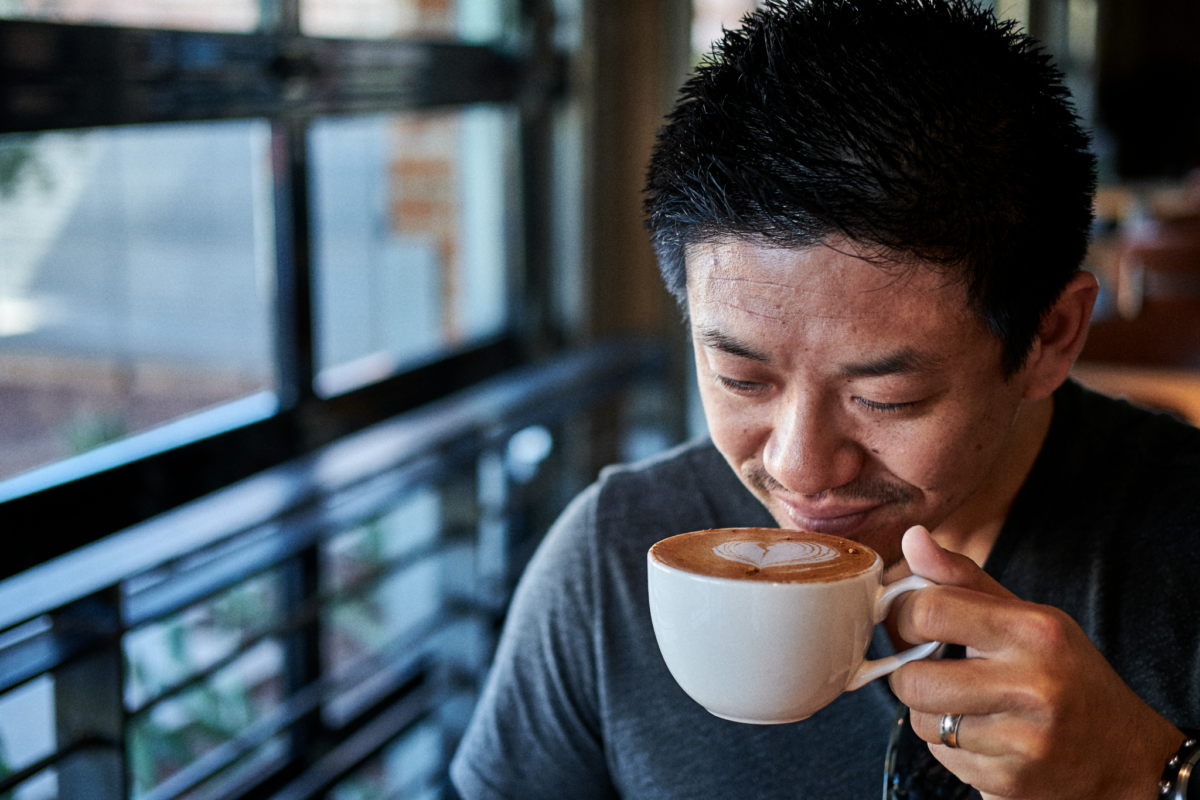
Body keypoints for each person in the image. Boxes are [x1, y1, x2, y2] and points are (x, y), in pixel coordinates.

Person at [450, 0, 1200, 797]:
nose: (800, 467)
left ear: (1050, 337)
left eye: (887, 395)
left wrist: (1147, 772)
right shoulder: (610, 561)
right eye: (743, 380)